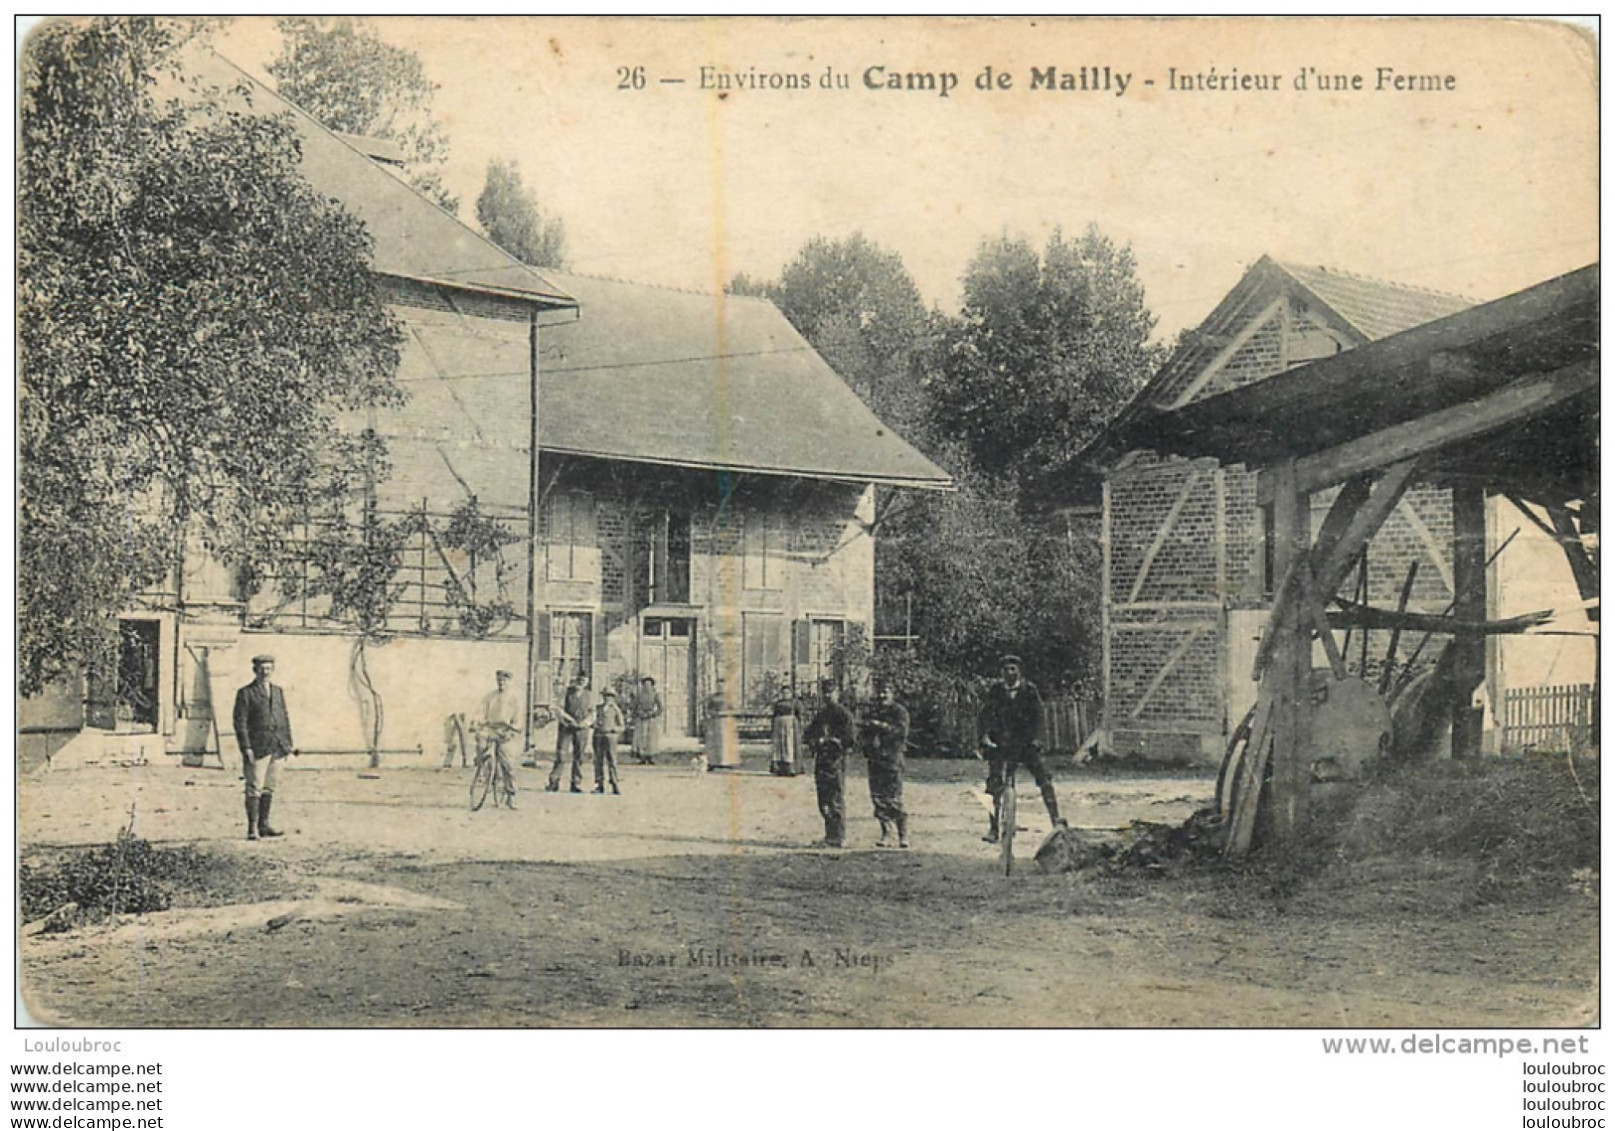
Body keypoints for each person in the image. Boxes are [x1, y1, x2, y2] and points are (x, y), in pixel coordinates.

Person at [978, 654, 1066, 843]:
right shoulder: (995, 691)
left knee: (1044, 779)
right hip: (1001, 744)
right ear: (1001, 673)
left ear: (1019, 672)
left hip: (1026, 744)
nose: (1009, 672)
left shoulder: (1029, 690)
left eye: (1013, 669)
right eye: (1006, 669)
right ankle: (993, 828)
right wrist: (985, 736)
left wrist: (1037, 739)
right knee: (993, 784)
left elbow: (1039, 717)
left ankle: (1056, 821)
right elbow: (985, 715)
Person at [232, 654, 295, 841]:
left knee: (270, 786)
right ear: (254, 670)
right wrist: (246, 748)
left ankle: (264, 825)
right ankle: (252, 828)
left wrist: (288, 744)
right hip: (257, 747)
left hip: (278, 745)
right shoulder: (246, 693)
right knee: (254, 787)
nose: (264, 672)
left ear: (272, 670)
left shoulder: (278, 691)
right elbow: (240, 723)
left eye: (268, 668)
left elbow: (284, 718)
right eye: (261, 668)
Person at [802, 681, 856, 848]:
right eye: (824, 692)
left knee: (835, 797)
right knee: (823, 798)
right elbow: (808, 735)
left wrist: (833, 741)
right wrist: (814, 741)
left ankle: (839, 836)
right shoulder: (822, 714)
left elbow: (850, 739)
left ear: (837, 693)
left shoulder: (844, 714)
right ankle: (829, 835)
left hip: (835, 760)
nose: (827, 695)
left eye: (831, 692)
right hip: (822, 760)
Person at [861, 682, 911, 848]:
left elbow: (902, 732)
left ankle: (903, 834)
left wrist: (881, 726)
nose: (882, 696)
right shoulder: (874, 711)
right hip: (876, 760)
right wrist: (868, 745)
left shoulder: (899, 712)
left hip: (892, 759)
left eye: (886, 692)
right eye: (880, 692)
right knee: (878, 798)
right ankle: (886, 833)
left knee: (894, 797)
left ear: (892, 694)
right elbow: (863, 734)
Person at [477, 670, 520, 808]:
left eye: (504, 681)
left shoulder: (514, 699)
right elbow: (480, 712)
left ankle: (511, 795)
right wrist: (477, 722)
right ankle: (483, 771)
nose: (501, 683)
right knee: (481, 743)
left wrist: (514, 728)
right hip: (491, 729)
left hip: (506, 731)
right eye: (499, 681)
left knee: (508, 764)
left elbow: (518, 720)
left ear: (509, 682)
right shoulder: (489, 697)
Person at [547, 671, 594, 793]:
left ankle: (575, 783)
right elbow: (559, 709)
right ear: (575, 680)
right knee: (561, 754)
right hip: (567, 727)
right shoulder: (566, 692)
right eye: (579, 680)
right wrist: (569, 720)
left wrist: (585, 723)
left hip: (582, 728)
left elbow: (593, 713)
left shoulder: (589, 695)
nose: (581, 682)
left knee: (579, 756)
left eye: (583, 680)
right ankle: (554, 782)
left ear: (587, 682)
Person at [593, 688, 625, 795]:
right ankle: (599, 784)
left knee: (612, 760)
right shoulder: (598, 709)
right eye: (606, 696)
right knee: (598, 760)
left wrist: (615, 729)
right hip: (598, 735)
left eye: (610, 696)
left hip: (610, 736)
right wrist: (594, 725)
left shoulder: (615, 710)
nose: (607, 698)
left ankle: (614, 783)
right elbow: (592, 720)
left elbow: (622, 726)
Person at [631, 676, 663, 765]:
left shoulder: (656, 695)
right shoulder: (639, 696)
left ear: (652, 686)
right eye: (645, 685)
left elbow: (660, 708)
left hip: (651, 719)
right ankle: (642, 757)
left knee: (651, 738)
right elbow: (634, 707)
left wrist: (652, 714)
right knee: (641, 738)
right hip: (641, 719)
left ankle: (651, 757)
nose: (646, 687)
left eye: (649, 685)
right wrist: (638, 713)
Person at [769, 688, 801, 777]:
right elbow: (774, 715)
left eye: (787, 692)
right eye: (783, 693)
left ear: (791, 693)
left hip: (790, 726)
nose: (785, 694)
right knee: (779, 746)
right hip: (779, 726)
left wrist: (797, 725)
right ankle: (778, 768)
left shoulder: (795, 703)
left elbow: (799, 715)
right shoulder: (778, 703)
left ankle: (791, 768)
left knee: (789, 745)